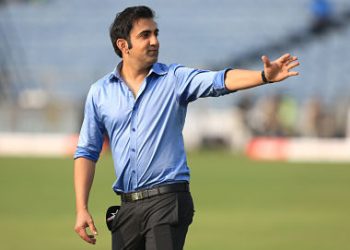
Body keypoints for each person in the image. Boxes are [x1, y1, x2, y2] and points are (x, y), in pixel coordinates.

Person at [73, 5, 300, 250]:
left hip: (167, 200)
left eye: (156, 33)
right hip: (127, 207)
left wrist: (262, 76)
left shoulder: (174, 79)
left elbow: (219, 80)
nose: (154, 41)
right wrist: (81, 207)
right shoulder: (100, 92)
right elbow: (87, 151)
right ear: (123, 45)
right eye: (145, 35)